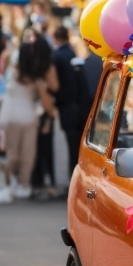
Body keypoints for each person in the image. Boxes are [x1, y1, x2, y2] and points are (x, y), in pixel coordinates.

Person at [0, 43, 55, 198]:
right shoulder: (37, 79)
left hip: (10, 117)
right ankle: (22, 183)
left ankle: (11, 180)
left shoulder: (13, 73)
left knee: (12, 154)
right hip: (28, 118)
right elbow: (47, 103)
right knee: (27, 155)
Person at [29, 36, 59, 194]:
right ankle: (51, 182)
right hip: (46, 111)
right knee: (47, 149)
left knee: (34, 148)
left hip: (32, 109)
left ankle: (36, 181)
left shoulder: (31, 67)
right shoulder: (49, 67)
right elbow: (55, 87)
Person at [52, 26, 83, 174]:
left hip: (66, 105)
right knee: (75, 146)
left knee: (71, 145)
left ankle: (72, 176)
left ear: (56, 38)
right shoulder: (72, 53)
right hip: (78, 104)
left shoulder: (57, 56)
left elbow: (55, 83)